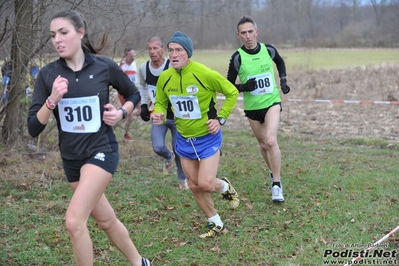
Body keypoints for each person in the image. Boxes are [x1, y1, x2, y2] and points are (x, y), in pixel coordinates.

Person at [27, 10, 151, 266]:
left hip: (101, 150)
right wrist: (52, 100)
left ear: (80, 32)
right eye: (52, 35)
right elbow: (33, 128)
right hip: (71, 159)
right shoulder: (48, 75)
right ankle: (140, 262)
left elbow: (133, 95)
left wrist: (120, 113)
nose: (57, 40)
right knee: (105, 220)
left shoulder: (103, 66)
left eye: (63, 33)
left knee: (74, 222)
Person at [152, 31, 240, 238]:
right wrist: (159, 113)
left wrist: (221, 119)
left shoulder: (204, 73)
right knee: (193, 184)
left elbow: (232, 92)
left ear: (188, 53)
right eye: (171, 50)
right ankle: (216, 222)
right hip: (183, 139)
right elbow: (161, 101)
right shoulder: (165, 77)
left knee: (206, 184)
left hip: (207, 137)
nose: (173, 54)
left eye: (179, 50)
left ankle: (225, 186)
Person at [227, 16, 291, 203]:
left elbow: (280, 62)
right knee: (263, 145)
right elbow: (228, 85)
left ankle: (277, 185)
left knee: (271, 140)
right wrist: (245, 87)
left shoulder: (268, 49)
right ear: (238, 35)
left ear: (256, 32)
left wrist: (283, 80)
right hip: (252, 107)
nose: (248, 36)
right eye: (243, 33)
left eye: (250, 31)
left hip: (271, 102)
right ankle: (273, 172)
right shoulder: (237, 57)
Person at [138, 36, 188, 189]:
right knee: (158, 147)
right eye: (149, 49)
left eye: (155, 48)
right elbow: (142, 86)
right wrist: (144, 105)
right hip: (158, 116)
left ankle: (182, 181)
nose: (152, 52)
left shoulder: (171, 65)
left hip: (176, 116)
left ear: (163, 50)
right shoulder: (143, 68)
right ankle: (168, 156)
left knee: (179, 149)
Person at [119, 48, 140, 141]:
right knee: (130, 114)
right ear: (125, 56)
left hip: (134, 91)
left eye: (134, 55)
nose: (133, 57)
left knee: (142, 110)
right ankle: (126, 135)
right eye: (131, 56)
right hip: (124, 93)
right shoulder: (122, 67)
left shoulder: (134, 64)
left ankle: (121, 115)